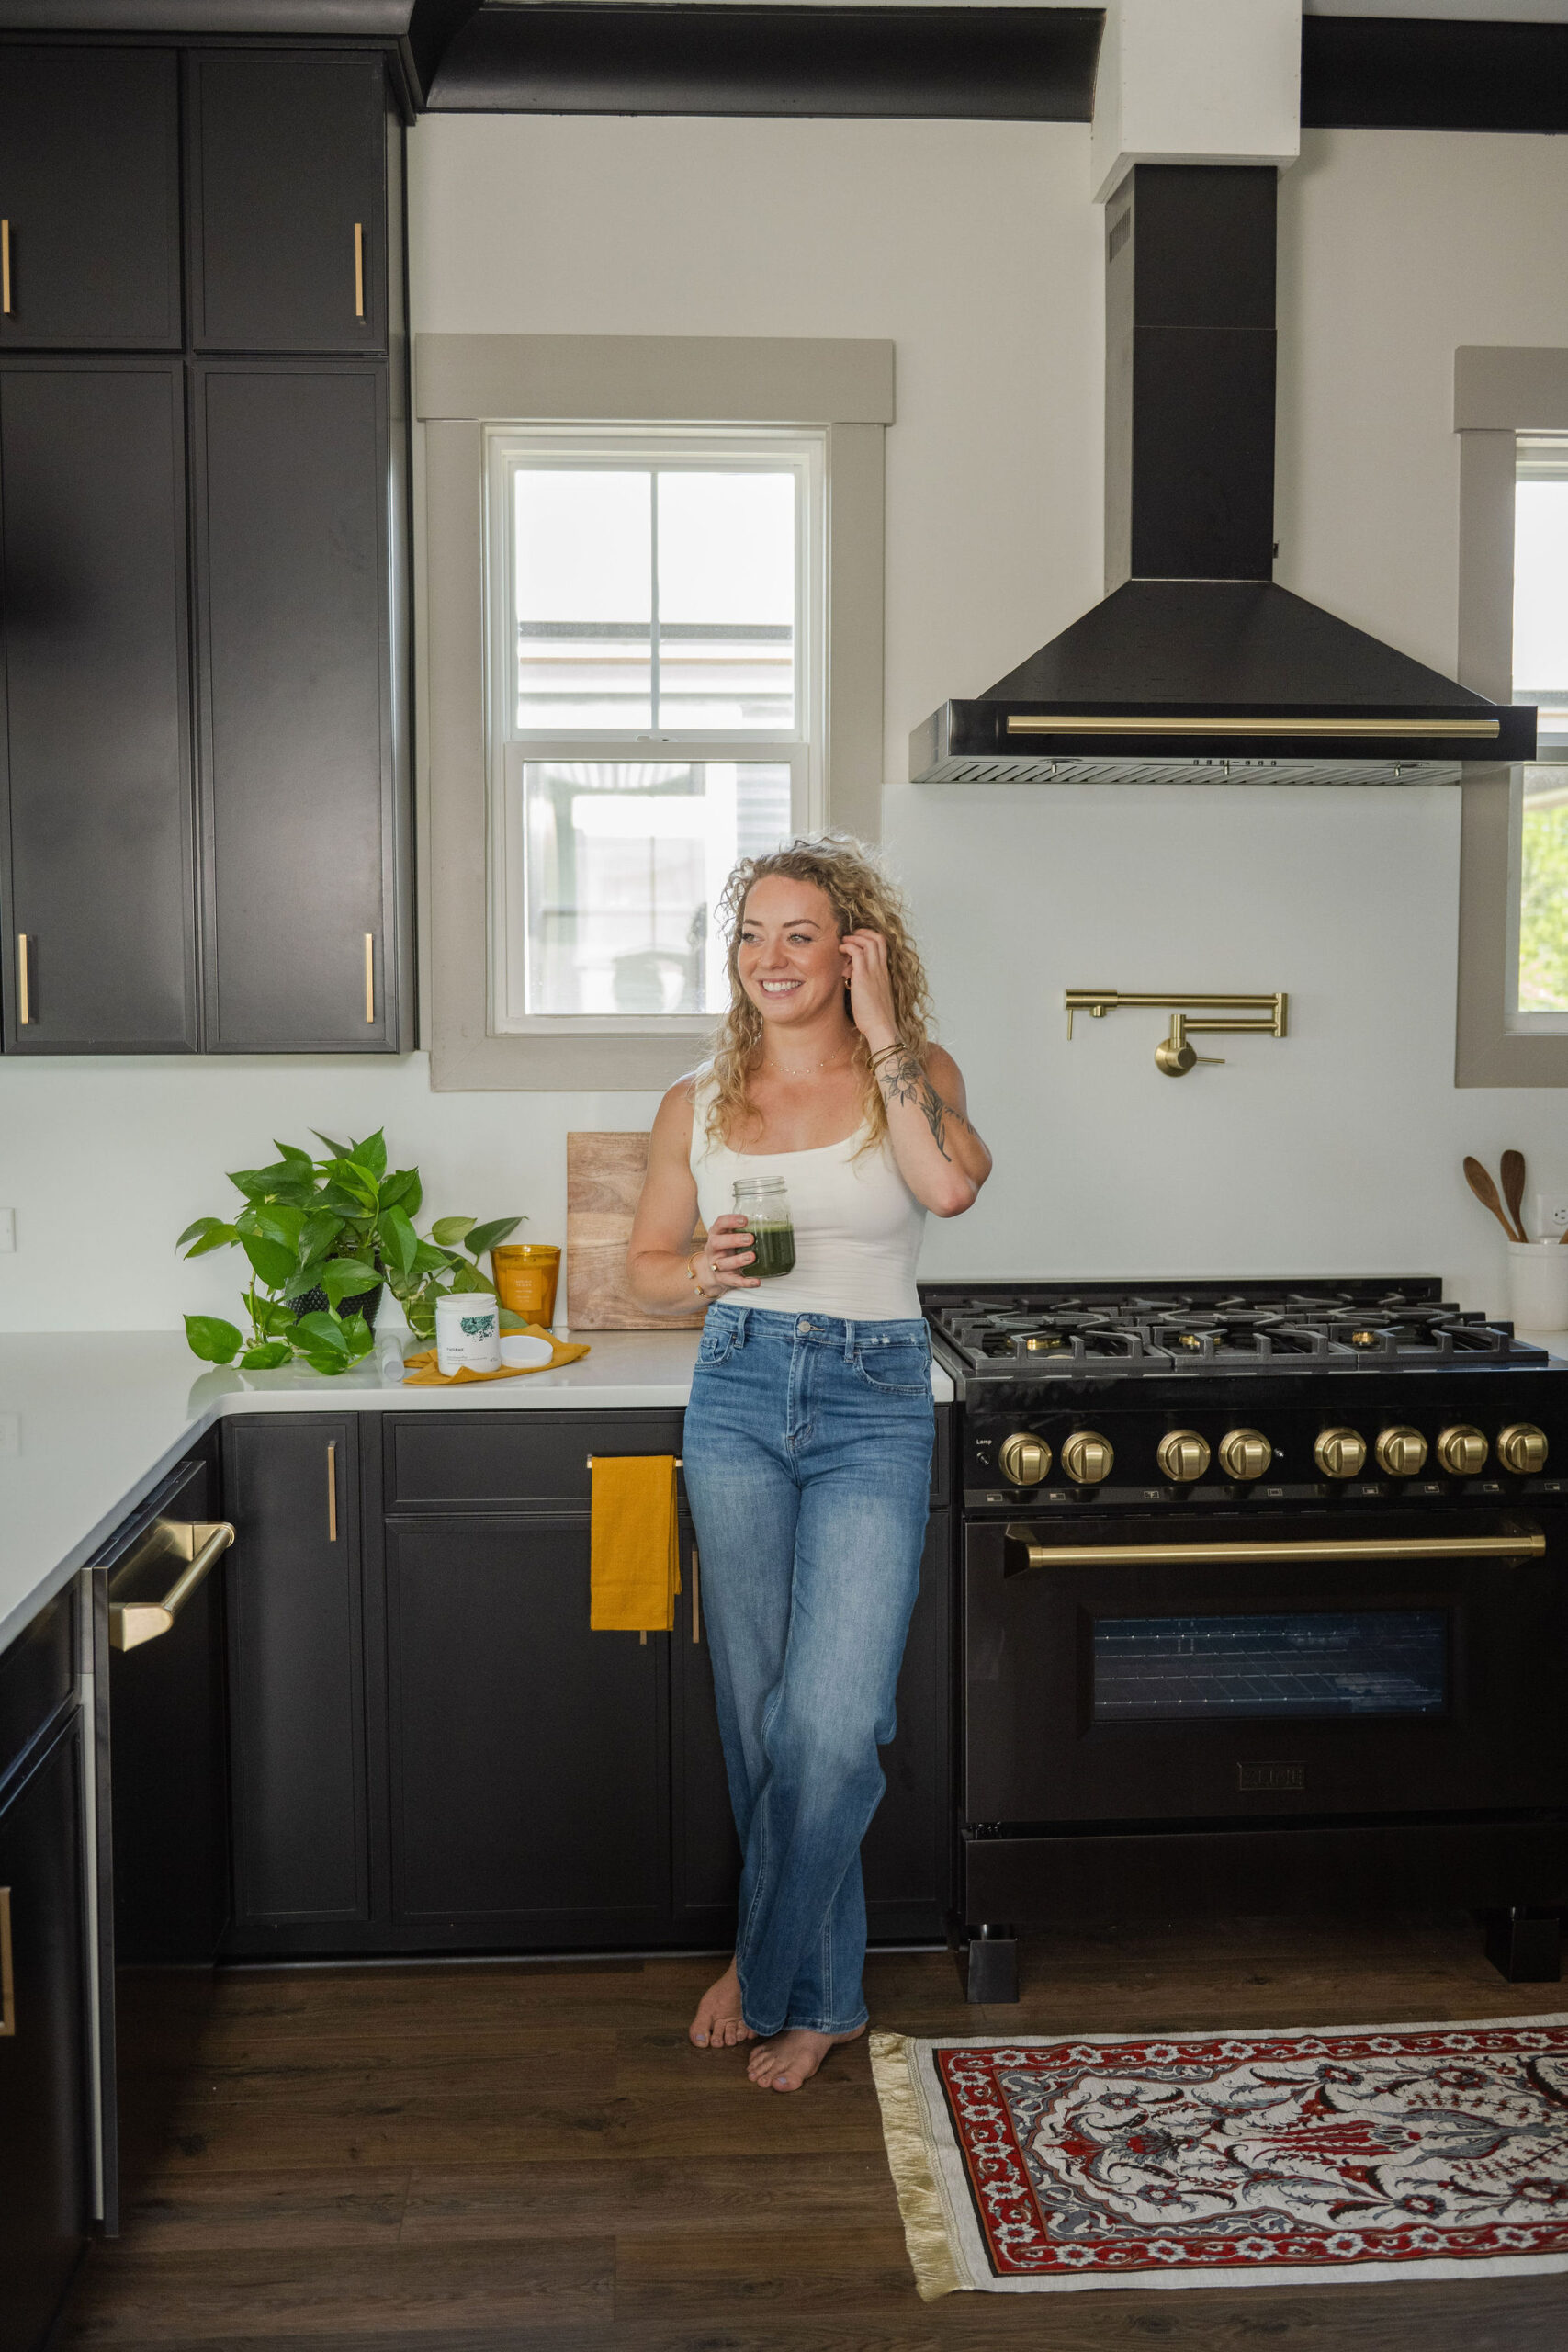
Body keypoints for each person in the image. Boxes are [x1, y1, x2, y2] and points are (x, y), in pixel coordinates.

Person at [627, 836, 990, 2092]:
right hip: (738, 1386)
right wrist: (700, 1271)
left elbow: (950, 1188)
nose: (770, 959)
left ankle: (761, 1957)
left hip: (875, 1397)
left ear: (853, 951)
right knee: (760, 1715)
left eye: (801, 935)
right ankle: (825, 1998)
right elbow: (646, 1270)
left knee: (833, 1728)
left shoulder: (916, 1072)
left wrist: (885, 1030)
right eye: (752, 935)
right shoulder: (695, 1099)